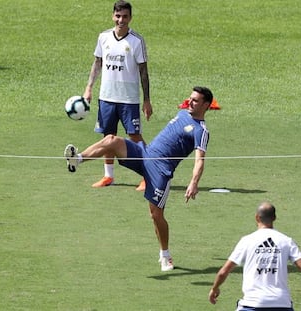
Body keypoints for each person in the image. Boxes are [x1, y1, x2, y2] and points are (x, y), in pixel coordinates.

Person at [65, 86, 213, 271]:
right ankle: (77, 160)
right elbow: (189, 104)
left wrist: (193, 183)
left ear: (206, 105)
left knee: (156, 215)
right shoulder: (183, 112)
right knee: (111, 140)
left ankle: (165, 255)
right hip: (144, 153)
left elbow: (200, 160)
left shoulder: (201, 131)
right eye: (190, 98)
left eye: (196, 100)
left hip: (160, 171)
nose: (190, 102)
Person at [83, 0, 153, 190]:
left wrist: (147, 100)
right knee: (108, 137)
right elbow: (97, 63)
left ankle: (149, 174)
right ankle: (108, 176)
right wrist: (89, 88)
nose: (121, 20)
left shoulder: (136, 41)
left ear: (130, 18)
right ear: (113, 16)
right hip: (106, 97)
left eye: (125, 16)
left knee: (135, 136)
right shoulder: (103, 37)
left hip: (129, 99)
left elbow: (143, 72)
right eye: (118, 16)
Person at [209, 202, 301, 310]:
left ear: (257, 217)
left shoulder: (247, 241)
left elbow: (223, 272)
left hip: (252, 304)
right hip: (282, 303)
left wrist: (215, 288)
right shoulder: (286, 241)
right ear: (274, 218)